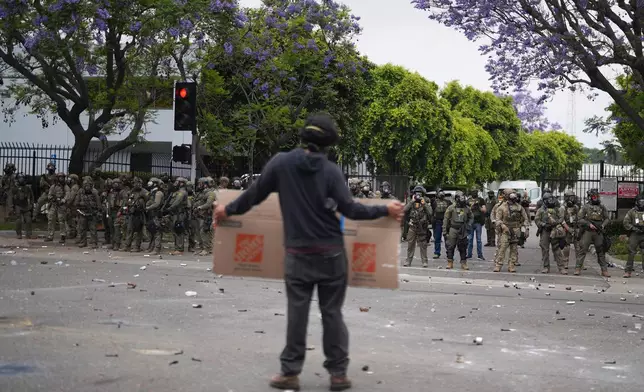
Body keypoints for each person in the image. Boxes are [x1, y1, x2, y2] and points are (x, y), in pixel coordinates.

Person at [214, 113, 404, 392]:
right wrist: (385, 209)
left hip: (298, 255)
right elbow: (351, 210)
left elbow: (253, 195)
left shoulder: (280, 164)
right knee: (332, 313)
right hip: (332, 256)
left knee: (297, 313)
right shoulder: (331, 172)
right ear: (328, 144)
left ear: (303, 137)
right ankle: (338, 374)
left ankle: (290, 372)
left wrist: (226, 210)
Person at [575, 189, 610, 277]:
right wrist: (588, 224)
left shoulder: (602, 207)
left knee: (600, 250)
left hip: (598, 231)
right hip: (588, 231)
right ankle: (578, 268)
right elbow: (579, 219)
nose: (596, 198)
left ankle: (604, 270)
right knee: (583, 249)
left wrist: (603, 225)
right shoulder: (585, 207)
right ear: (590, 197)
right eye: (594, 196)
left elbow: (607, 218)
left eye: (597, 196)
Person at [494, 191, 529, 273]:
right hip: (505, 230)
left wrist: (526, 229)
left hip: (516, 230)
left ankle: (511, 265)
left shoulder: (519, 207)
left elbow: (525, 219)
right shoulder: (502, 207)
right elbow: (498, 219)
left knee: (514, 249)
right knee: (502, 248)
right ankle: (498, 265)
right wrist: (502, 226)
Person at [402, 185, 433, 267]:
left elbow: (430, 212)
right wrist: (412, 201)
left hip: (422, 226)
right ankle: (408, 261)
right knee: (410, 244)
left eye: (420, 193)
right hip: (412, 225)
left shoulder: (426, 200)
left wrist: (424, 204)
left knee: (423, 244)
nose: (418, 195)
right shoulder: (410, 199)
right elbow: (404, 210)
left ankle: (424, 261)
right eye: (416, 193)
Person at [444, 191, 473, 270]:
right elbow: (446, 219)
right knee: (450, 246)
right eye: (461, 198)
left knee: (463, 246)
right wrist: (444, 231)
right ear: (457, 198)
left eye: (463, 197)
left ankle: (463, 263)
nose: (462, 199)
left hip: (463, 229)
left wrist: (469, 225)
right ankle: (450, 262)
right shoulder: (451, 207)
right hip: (453, 228)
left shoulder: (467, 208)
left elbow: (471, 217)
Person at [622, 195, 644, 278]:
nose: (642, 203)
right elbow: (626, 222)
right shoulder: (632, 212)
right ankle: (628, 271)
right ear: (637, 202)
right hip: (635, 234)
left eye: (643, 201)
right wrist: (634, 228)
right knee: (631, 252)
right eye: (640, 202)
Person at [8, 173, 34, 239]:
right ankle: (19, 234)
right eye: (20, 178)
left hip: (26, 206)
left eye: (22, 178)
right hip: (18, 206)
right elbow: (10, 198)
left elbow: (31, 197)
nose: (21, 180)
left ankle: (28, 234)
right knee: (18, 220)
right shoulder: (14, 188)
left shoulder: (27, 188)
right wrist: (11, 207)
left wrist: (31, 204)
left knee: (28, 220)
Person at [466, 189, 486, 260]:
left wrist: (479, 207)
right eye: (473, 192)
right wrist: (472, 207)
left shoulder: (481, 200)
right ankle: (469, 254)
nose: (474, 193)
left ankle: (480, 255)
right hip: (470, 222)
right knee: (470, 239)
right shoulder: (468, 200)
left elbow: (484, 210)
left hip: (478, 222)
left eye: (475, 192)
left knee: (479, 240)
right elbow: (466, 211)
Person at [431, 190, 451, 259]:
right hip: (437, 221)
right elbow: (432, 211)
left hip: (446, 222)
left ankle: (449, 252)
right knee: (437, 238)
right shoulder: (434, 202)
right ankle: (437, 252)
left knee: (447, 238)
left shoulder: (448, 202)